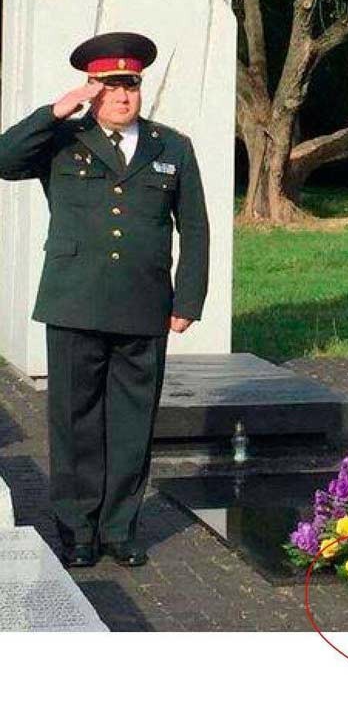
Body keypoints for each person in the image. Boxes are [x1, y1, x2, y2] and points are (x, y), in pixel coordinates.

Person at [0, 32, 210, 568]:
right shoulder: (61, 139)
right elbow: (4, 158)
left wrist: (187, 299)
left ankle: (119, 529)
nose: (122, 96)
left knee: (133, 424)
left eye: (130, 85)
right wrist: (57, 110)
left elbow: (194, 227)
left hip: (144, 304)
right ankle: (77, 530)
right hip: (75, 302)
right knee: (75, 423)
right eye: (110, 86)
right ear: (93, 89)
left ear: (140, 88)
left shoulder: (171, 146)